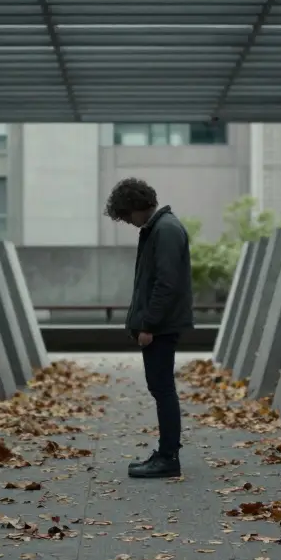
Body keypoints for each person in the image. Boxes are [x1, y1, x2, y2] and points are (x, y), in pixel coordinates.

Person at [103, 177, 194, 479]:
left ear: (137, 207)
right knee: (161, 388)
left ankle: (168, 458)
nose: (128, 222)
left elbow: (165, 284)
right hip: (160, 324)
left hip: (160, 326)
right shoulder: (159, 228)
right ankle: (167, 454)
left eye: (127, 215)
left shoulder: (165, 230)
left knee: (163, 389)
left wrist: (148, 325)